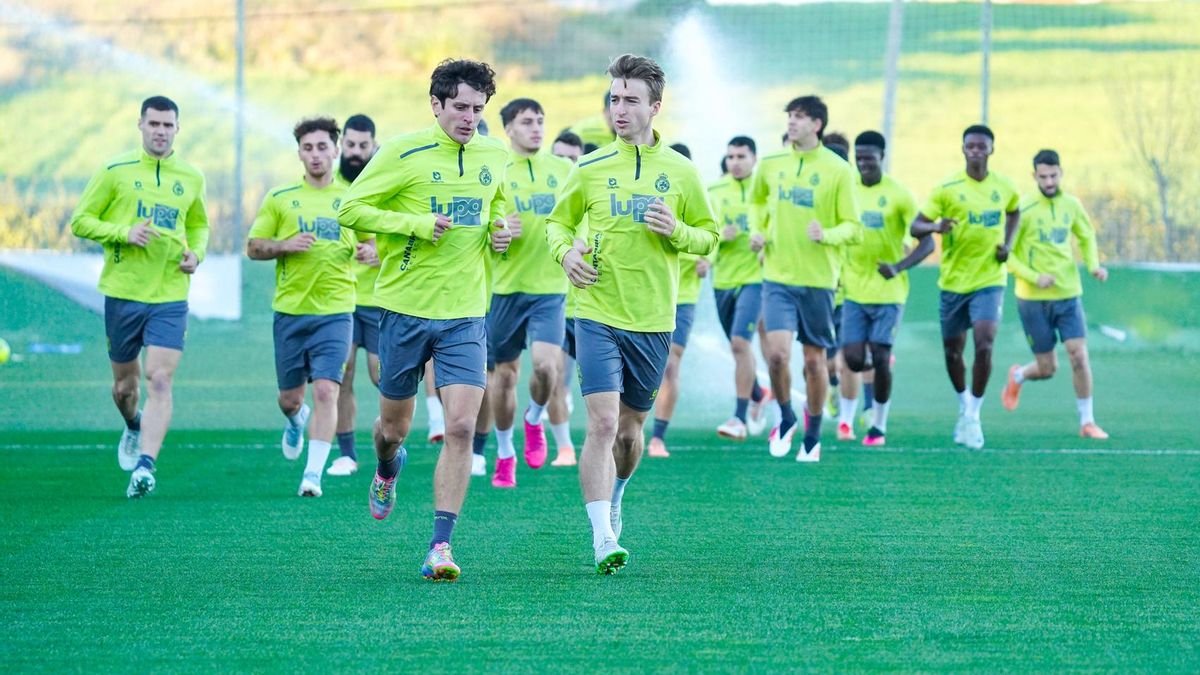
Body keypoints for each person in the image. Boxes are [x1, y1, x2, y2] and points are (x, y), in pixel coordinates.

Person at [338, 59, 512, 581]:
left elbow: (497, 207)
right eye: (460, 107)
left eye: (478, 110)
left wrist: (500, 231)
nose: (469, 118)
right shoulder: (401, 152)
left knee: (460, 426)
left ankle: (440, 545)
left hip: (465, 313)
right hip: (404, 311)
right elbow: (350, 209)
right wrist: (414, 223)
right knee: (394, 428)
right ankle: (388, 467)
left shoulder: (494, 153)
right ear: (435, 104)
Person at [545, 54, 718, 574]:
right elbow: (557, 225)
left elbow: (708, 236)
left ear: (655, 108)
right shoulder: (591, 168)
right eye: (614, 99)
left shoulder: (683, 172)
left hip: (653, 319)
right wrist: (566, 254)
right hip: (595, 312)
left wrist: (678, 233)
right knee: (600, 422)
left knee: (629, 430)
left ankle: (618, 493)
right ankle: (602, 537)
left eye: (630, 100)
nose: (619, 109)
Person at [69, 95, 209, 499]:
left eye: (168, 125)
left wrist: (195, 253)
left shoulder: (192, 176)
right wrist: (122, 233)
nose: (161, 132)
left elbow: (198, 225)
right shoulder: (114, 171)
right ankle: (133, 424)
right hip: (123, 293)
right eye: (154, 124)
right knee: (125, 389)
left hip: (170, 294)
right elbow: (81, 220)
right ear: (140, 125)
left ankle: (146, 466)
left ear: (177, 129)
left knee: (160, 378)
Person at [247, 117, 359, 497]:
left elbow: (378, 244)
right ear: (299, 153)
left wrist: (372, 250)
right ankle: (296, 421)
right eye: (308, 148)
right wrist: (283, 245)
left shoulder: (351, 200)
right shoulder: (280, 198)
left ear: (336, 150)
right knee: (290, 399)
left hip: (337, 311)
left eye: (323, 147)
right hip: (291, 312)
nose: (316, 155)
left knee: (328, 389)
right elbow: (254, 246)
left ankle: (312, 475)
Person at [749, 95, 861, 462]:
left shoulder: (838, 169)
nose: (791, 123)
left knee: (814, 362)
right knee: (778, 356)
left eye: (799, 117)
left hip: (818, 281)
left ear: (817, 124)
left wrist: (826, 234)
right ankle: (785, 416)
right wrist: (759, 231)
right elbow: (757, 201)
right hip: (777, 277)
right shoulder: (771, 163)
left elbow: (853, 227)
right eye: (789, 117)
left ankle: (812, 436)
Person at [910, 124, 1020, 450]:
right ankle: (963, 403)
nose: (975, 151)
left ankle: (974, 413)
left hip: (989, 281)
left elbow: (1014, 212)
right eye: (969, 146)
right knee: (953, 351)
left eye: (981, 146)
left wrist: (1007, 244)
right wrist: (935, 226)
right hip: (954, 283)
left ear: (991, 150)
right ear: (962, 150)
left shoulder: (1005, 187)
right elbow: (917, 226)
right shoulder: (946, 188)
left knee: (984, 343)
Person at [487, 98, 573, 487]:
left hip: (549, 289)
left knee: (546, 366)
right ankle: (505, 452)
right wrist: (498, 232)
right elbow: (479, 225)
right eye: (526, 122)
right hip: (504, 290)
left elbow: (580, 217)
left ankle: (535, 419)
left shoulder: (564, 170)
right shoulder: (493, 171)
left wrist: (580, 243)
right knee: (504, 378)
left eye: (540, 121)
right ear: (508, 129)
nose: (536, 128)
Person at [1001, 149, 1109, 439]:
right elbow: (1005, 256)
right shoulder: (1022, 209)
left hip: (1068, 295)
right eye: (1043, 176)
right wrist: (1035, 277)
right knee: (1048, 368)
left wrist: (1094, 265)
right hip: (1032, 300)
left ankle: (1087, 422)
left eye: (1053, 175)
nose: (1049, 181)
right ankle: (1018, 375)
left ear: (1061, 173)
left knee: (1079, 356)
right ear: (1033, 176)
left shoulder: (1071, 205)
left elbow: (1086, 236)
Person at [838, 131, 925, 446]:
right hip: (853, 290)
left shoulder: (899, 194)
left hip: (889, 293)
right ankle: (878, 359)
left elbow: (926, 242)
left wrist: (899, 267)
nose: (862, 163)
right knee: (852, 359)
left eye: (869, 158)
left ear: (881, 157)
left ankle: (878, 425)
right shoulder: (847, 190)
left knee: (880, 351)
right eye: (858, 157)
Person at [329, 113, 382, 477]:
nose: (356, 152)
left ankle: (389, 439)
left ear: (373, 146)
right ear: (340, 146)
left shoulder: (386, 185)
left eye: (363, 146)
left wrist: (381, 252)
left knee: (383, 376)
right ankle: (346, 453)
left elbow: (410, 233)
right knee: (341, 376)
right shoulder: (327, 189)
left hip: (380, 299)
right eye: (350, 145)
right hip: (339, 300)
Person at [711, 136, 773, 441]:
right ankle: (759, 393)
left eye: (741, 156)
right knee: (738, 347)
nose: (735, 162)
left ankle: (738, 416)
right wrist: (721, 235)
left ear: (754, 158)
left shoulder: (766, 192)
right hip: (723, 280)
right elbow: (702, 230)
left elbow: (780, 225)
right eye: (731, 156)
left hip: (755, 279)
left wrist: (766, 242)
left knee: (739, 343)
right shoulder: (714, 191)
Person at [647, 141, 706, 459]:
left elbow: (711, 238)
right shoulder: (651, 199)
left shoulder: (697, 201)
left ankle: (658, 437)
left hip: (682, 297)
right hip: (649, 294)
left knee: (670, 365)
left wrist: (706, 260)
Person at [547, 131, 586, 467]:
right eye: (560, 158)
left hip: (591, 307)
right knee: (554, 374)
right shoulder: (549, 207)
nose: (567, 165)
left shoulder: (592, 197)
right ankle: (564, 448)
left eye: (573, 159)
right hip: (555, 303)